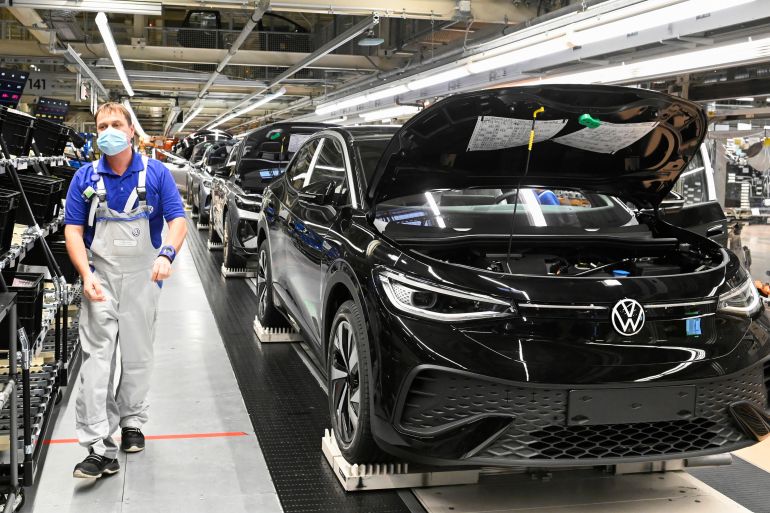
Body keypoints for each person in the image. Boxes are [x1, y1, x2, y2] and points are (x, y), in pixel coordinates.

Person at [63, 102, 187, 479]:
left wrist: (167, 253)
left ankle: (131, 421)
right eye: (102, 126)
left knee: (138, 355)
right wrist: (86, 274)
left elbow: (178, 220)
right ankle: (98, 444)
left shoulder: (157, 173)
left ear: (131, 131)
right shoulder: (84, 178)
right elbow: (72, 230)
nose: (109, 131)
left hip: (144, 277)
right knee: (97, 359)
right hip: (101, 277)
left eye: (116, 124)